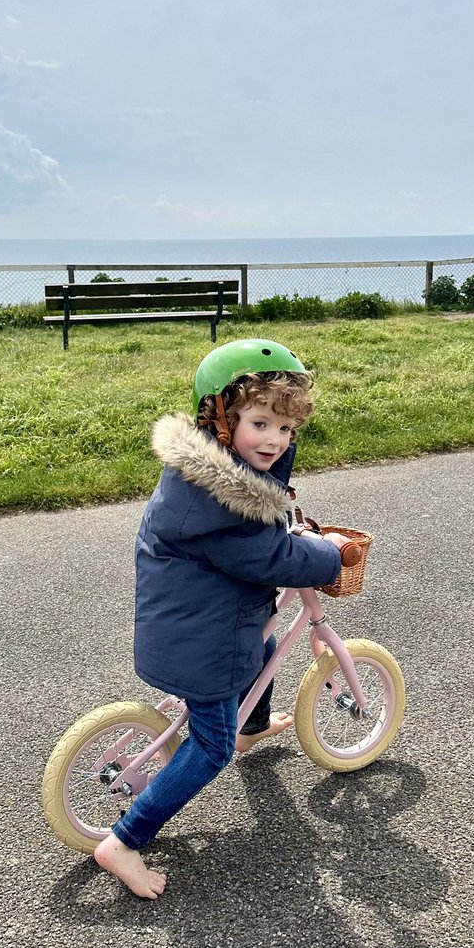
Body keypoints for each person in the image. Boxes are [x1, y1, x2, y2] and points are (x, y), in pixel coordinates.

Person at [94, 338, 349, 898]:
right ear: (220, 418)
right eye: (261, 424)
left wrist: (277, 471)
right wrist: (328, 553)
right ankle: (125, 841)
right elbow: (267, 555)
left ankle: (251, 729)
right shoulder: (221, 506)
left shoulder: (213, 476)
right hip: (203, 642)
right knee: (210, 745)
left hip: (197, 624)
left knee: (261, 648)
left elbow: (266, 500)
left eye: (287, 429)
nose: (276, 440)